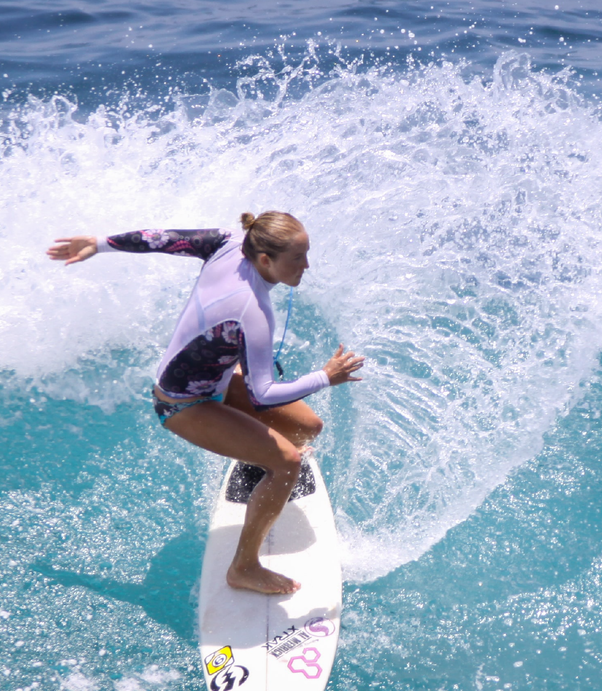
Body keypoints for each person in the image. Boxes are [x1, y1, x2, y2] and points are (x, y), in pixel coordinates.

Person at [47, 212, 364, 595]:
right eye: (297, 258)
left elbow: (159, 238)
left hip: (212, 380)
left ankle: (254, 458)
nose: (306, 266)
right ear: (265, 260)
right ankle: (243, 567)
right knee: (288, 463)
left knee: (306, 429)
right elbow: (261, 395)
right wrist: (325, 378)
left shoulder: (231, 240)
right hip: (182, 404)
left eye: (306, 253)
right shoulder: (255, 312)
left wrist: (98, 243)